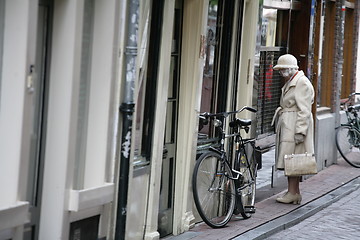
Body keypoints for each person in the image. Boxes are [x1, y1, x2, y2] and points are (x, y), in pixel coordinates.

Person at [271, 54, 315, 204]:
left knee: (293, 160)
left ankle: (292, 192)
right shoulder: (294, 81)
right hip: (291, 123)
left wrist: (300, 131)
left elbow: (305, 110)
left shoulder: (301, 83)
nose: (281, 73)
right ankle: (294, 192)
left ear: (290, 68)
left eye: (282, 70)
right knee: (291, 160)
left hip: (295, 124)